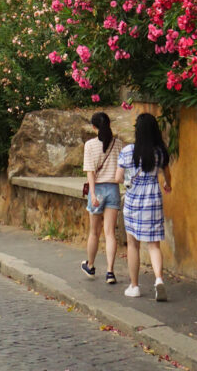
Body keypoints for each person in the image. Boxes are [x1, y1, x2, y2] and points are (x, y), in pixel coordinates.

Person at [116, 112, 172, 302]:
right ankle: (158, 279)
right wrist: (167, 185)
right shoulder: (160, 152)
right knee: (154, 244)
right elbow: (167, 177)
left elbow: (118, 178)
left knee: (133, 244)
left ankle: (134, 285)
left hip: (134, 200)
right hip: (153, 199)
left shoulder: (128, 151)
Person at [81, 112, 123, 284]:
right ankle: (110, 272)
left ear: (94, 127)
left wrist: (92, 194)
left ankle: (90, 266)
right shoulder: (118, 144)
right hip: (113, 189)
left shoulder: (90, 145)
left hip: (97, 189)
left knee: (94, 232)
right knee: (110, 233)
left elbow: (90, 172)